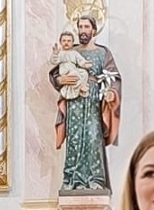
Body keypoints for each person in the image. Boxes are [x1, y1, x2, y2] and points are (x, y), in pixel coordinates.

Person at [49, 14, 121, 192]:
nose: (83, 31)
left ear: (94, 30)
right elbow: (55, 73)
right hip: (74, 102)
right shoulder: (70, 51)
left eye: (86, 27)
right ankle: (72, 180)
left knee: (93, 137)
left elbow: (114, 77)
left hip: (93, 102)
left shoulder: (103, 53)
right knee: (74, 139)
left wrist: (111, 93)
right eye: (80, 27)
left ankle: (96, 180)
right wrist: (60, 79)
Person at [49, 31, 91, 100]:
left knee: (84, 73)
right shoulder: (60, 53)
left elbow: (80, 60)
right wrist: (55, 54)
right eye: (64, 41)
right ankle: (80, 87)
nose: (66, 42)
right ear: (60, 42)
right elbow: (54, 61)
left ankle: (82, 86)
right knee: (74, 75)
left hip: (74, 69)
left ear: (72, 42)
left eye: (69, 41)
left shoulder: (74, 53)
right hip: (66, 71)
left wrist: (85, 64)